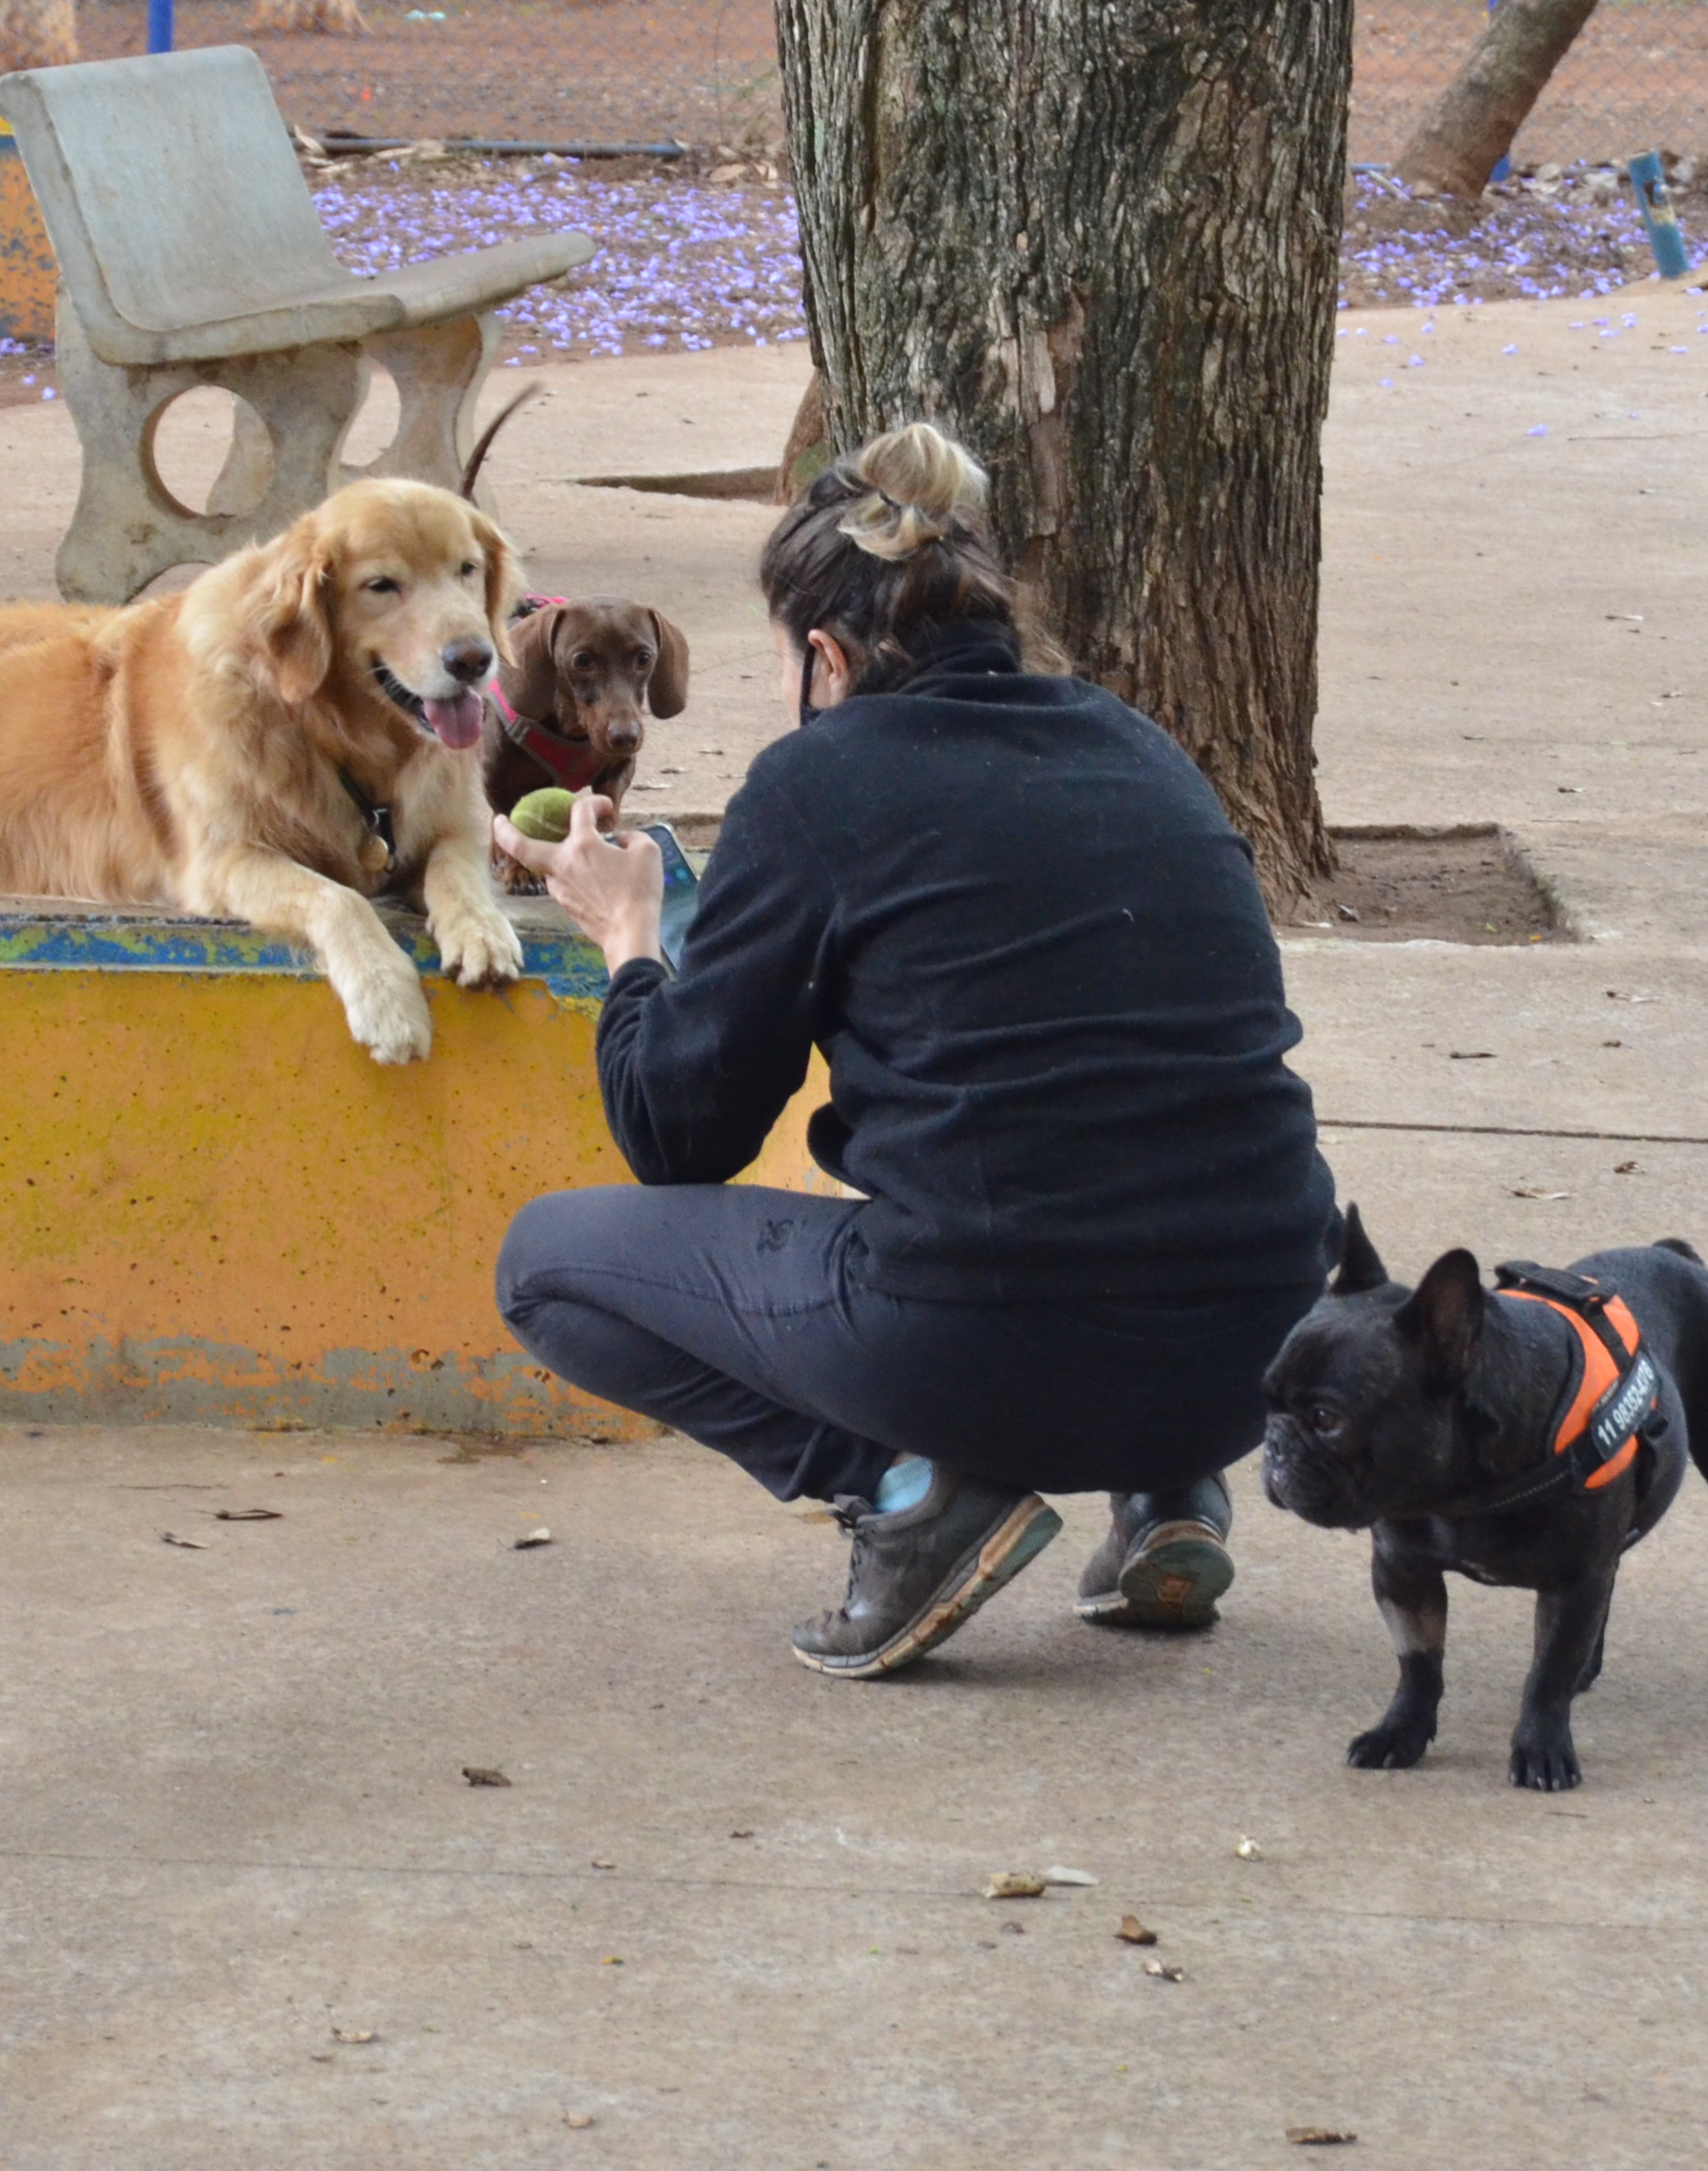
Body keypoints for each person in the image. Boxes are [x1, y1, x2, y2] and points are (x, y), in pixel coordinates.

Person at [492, 422, 1336, 1678]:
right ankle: (1171, 1490)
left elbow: (678, 1136)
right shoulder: (1144, 751)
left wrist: (627, 937)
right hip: (1258, 1353)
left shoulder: (816, 782)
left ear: (824, 658)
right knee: (1123, 1143)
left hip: (997, 1349)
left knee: (545, 1265)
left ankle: (907, 1497)